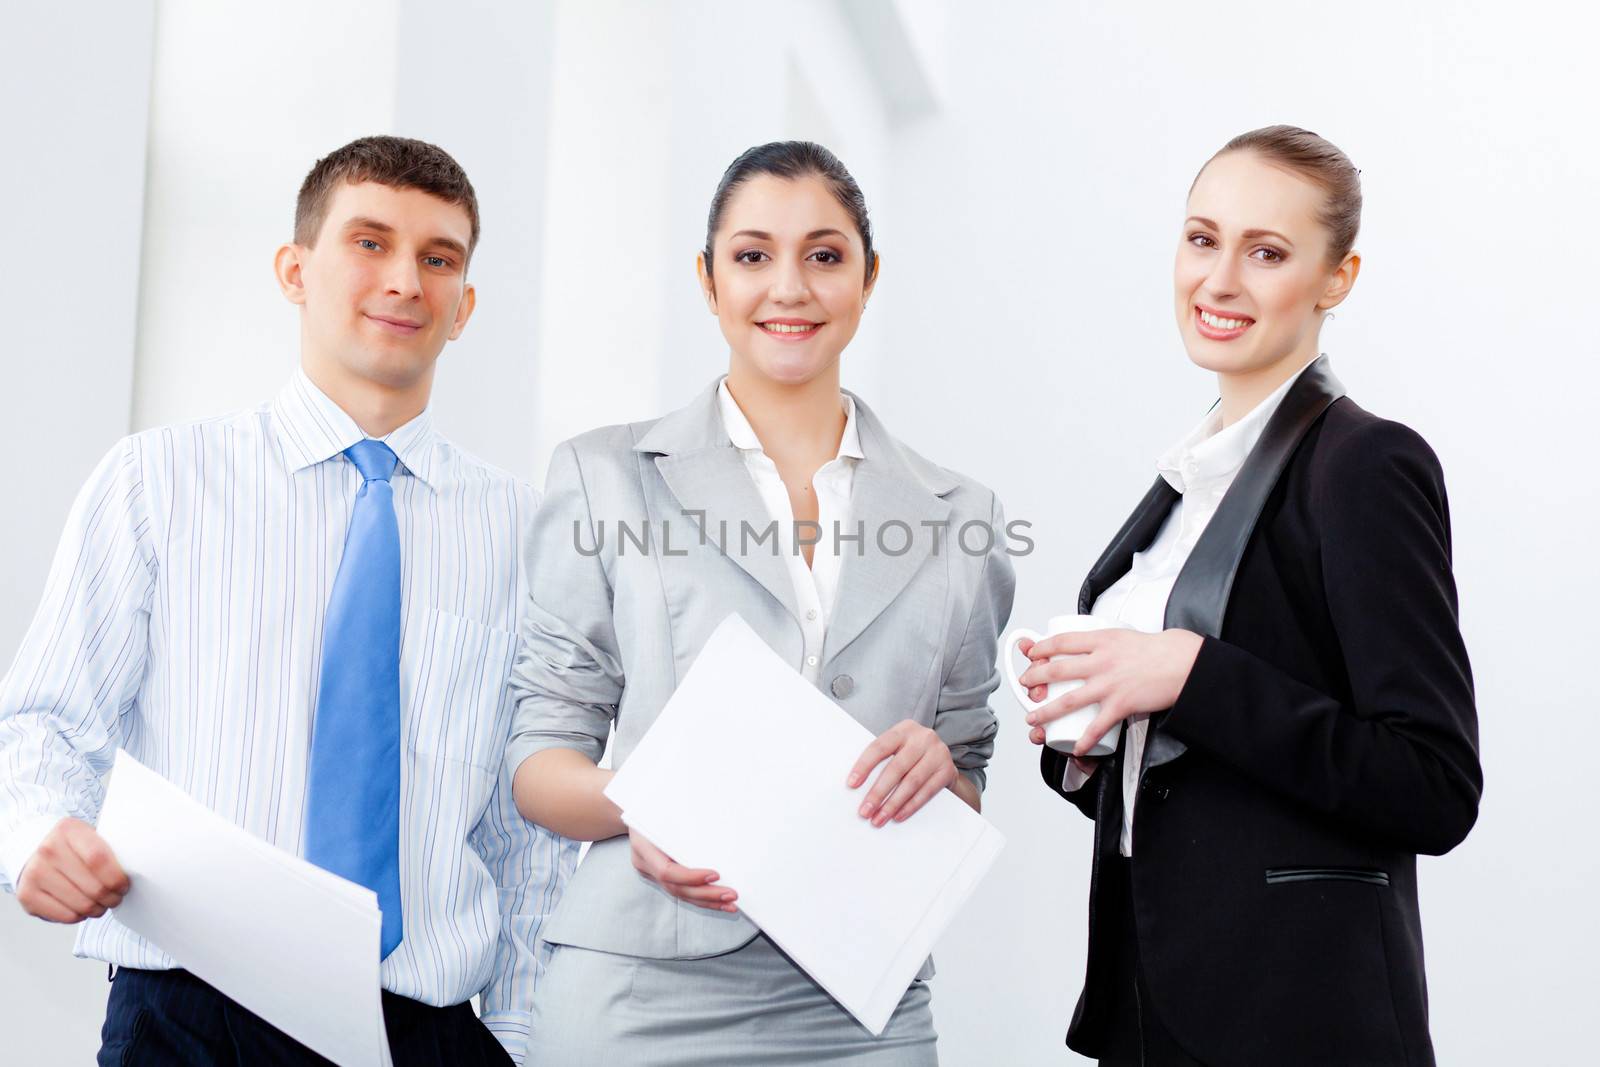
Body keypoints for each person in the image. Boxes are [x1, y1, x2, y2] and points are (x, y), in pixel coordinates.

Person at [0, 135, 575, 1066]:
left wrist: (519, 1041)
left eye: (439, 258)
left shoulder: (526, 533)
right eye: (369, 242)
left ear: (464, 307)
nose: (404, 281)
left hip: (427, 1033)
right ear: (295, 269)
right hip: (189, 1022)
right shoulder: (160, 480)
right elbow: (42, 724)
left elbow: (528, 834)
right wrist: (33, 835)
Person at [506, 141, 1015, 1063]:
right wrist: (640, 804)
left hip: (863, 1000)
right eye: (752, 256)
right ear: (708, 281)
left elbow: (968, 770)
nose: (790, 286)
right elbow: (539, 758)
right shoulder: (602, 475)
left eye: (824, 256)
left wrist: (940, 767)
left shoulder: (961, 515)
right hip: (640, 983)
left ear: (867, 279)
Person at [1022, 126, 1482, 1066]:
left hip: (1298, 1023)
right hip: (1148, 1013)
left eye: (1266, 252)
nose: (1219, 280)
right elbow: (1209, 788)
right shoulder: (1186, 482)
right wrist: (1092, 736)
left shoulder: (1365, 465)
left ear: (1337, 278)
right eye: (1202, 239)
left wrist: (1191, 676)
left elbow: (1434, 784)